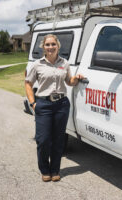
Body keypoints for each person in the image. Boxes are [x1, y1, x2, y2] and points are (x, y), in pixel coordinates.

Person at [25, 34, 84, 182]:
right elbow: (28, 84)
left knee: (58, 140)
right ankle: (44, 169)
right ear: (43, 47)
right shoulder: (37, 64)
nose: (50, 47)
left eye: (53, 44)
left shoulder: (64, 63)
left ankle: (55, 170)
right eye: (47, 45)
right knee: (43, 140)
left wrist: (75, 79)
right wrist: (33, 103)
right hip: (43, 105)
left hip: (61, 105)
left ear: (58, 46)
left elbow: (69, 82)